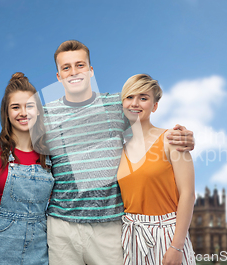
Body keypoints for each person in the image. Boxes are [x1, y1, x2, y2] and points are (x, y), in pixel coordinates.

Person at [38, 40, 195, 265]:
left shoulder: (117, 105)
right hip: (62, 226)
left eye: (80, 65)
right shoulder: (45, 115)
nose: (74, 72)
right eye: (66, 67)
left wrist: (186, 137)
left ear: (91, 71)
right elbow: (18, 143)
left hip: (109, 226)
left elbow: (146, 125)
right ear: (58, 76)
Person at [118, 74, 196, 265]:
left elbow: (188, 194)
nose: (135, 103)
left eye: (143, 98)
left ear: (154, 106)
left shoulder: (172, 139)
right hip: (131, 236)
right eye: (129, 97)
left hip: (168, 234)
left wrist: (177, 247)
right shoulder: (118, 147)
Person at [0, 73, 54, 265]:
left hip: (40, 243)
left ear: (38, 110)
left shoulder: (50, 151)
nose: (23, 113)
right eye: (15, 107)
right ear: (6, 112)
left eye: (29, 106)